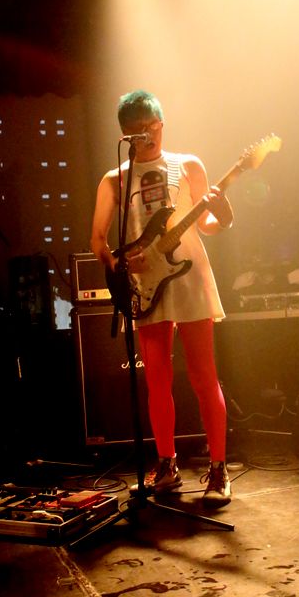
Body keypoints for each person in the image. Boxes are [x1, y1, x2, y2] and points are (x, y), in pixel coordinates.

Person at [90, 89, 234, 507]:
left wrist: (224, 212)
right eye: (138, 130)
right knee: (156, 379)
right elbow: (98, 238)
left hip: (189, 277)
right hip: (147, 284)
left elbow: (208, 224)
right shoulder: (115, 179)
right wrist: (118, 263)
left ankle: (218, 468)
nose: (148, 135)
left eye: (152, 126)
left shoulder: (187, 166)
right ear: (125, 134)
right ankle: (166, 465)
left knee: (204, 375)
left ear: (162, 123)